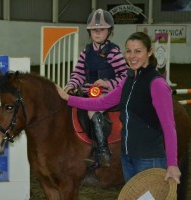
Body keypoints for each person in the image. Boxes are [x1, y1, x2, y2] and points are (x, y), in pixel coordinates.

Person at [56, 31, 181, 184]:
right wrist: (68, 98)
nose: (132, 56)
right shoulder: (128, 80)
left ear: (149, 52)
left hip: (149, 159)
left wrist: (172, 164)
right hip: (127, 158)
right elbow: (102, 103)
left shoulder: (157, 84)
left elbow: (169, 127)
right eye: (128, 51)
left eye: (138, 51)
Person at [64, 8, 128, 167]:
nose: (97, 33)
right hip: (87, 94)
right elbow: (78, 73)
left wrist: (107, 83)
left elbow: (125, 75)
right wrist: (71, 85)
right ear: (89, 32)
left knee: (93, 111)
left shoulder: (114, 52)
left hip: (107, 96)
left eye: (101, 30)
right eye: (94, 30)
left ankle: (102, 151)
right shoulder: (85, 52)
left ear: (109, 31)